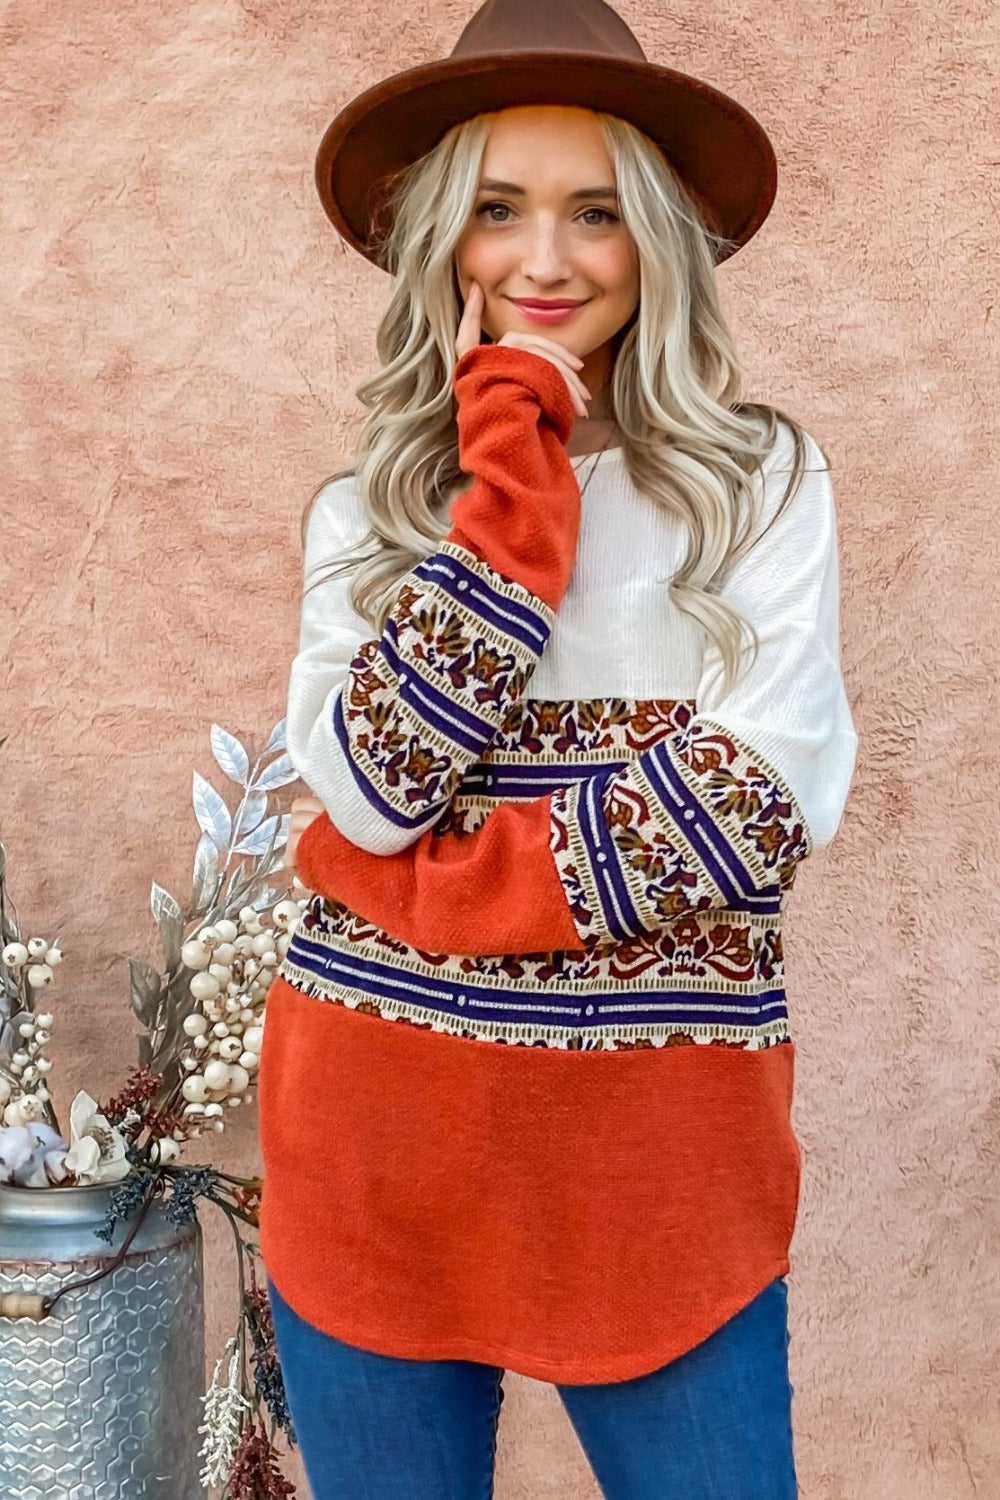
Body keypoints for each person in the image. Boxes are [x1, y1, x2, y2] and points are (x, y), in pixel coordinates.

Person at [256, 1, 860, 1495]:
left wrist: (409, 898)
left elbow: (764, 798)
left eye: (594, 211)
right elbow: (375, 788)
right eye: (496, 210)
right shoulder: (364, 514)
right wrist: (508, 480)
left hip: (660, 1169)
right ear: (438, 241)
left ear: (656, 237)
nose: (543, 259)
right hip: (374, 1143)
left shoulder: (758, 483)